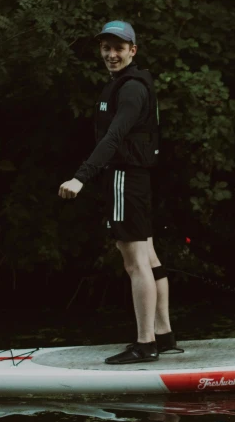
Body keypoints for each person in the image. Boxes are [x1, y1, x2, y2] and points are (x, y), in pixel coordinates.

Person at [59, 20, 181, 364]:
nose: (111, 54)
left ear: (133, 50)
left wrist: (80, 178)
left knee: (134, 263)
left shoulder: (130, 89)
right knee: (150, 257)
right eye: (106, 48)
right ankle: (164, 334)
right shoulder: (129, 83)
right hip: (136, 179)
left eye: (118, 48)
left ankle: (145, 345)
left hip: (125, 178)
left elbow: (113, 139)